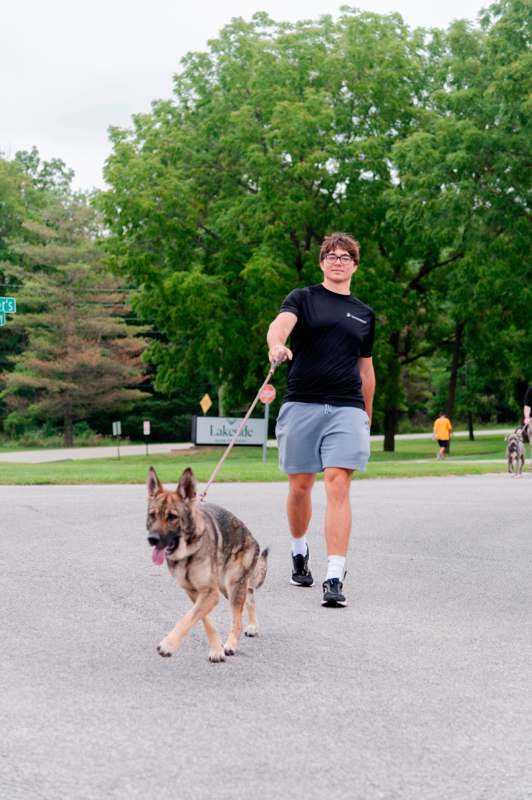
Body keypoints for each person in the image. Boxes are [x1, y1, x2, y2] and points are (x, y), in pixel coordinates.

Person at [267, 232, 375, 608]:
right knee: (300, 485)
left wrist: (367, 417)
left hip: (346, 408)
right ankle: (299, 550)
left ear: (355, 265)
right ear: (322, 262)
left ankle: (334, 573)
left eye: (346, 256)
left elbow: (366, 372)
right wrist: (277, 345)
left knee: (337, 483)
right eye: (331, 255)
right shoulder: (303, 298)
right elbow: (280, 326)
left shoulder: (364, 314)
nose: (338, 260)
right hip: (302, 403)